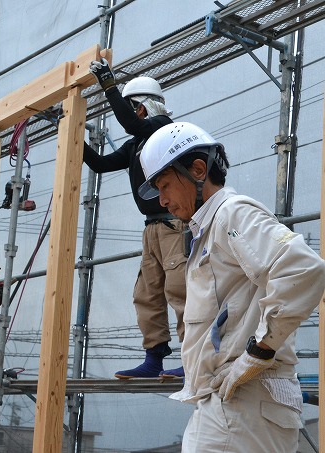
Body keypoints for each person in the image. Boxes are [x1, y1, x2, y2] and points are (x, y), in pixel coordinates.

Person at [138, 121, 325, 452]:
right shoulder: (209, 227)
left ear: (198, 170)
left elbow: (303, 269)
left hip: (245, 401)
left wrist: (259, 351)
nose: (162, 200)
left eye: (165, 185)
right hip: (238, 401)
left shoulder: (230, 214)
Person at [86, 58, 187, 379]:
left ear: (143, 108)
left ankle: (194, 358)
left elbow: (132, 125)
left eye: (132, 107)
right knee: (147, 293)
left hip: (174, 225)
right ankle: (153, 358)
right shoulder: (135, 144)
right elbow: (100, 164)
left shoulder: (163, 131)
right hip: (153, 229)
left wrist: (107, 84)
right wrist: (73, 134)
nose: (130, 115)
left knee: (180, 288)